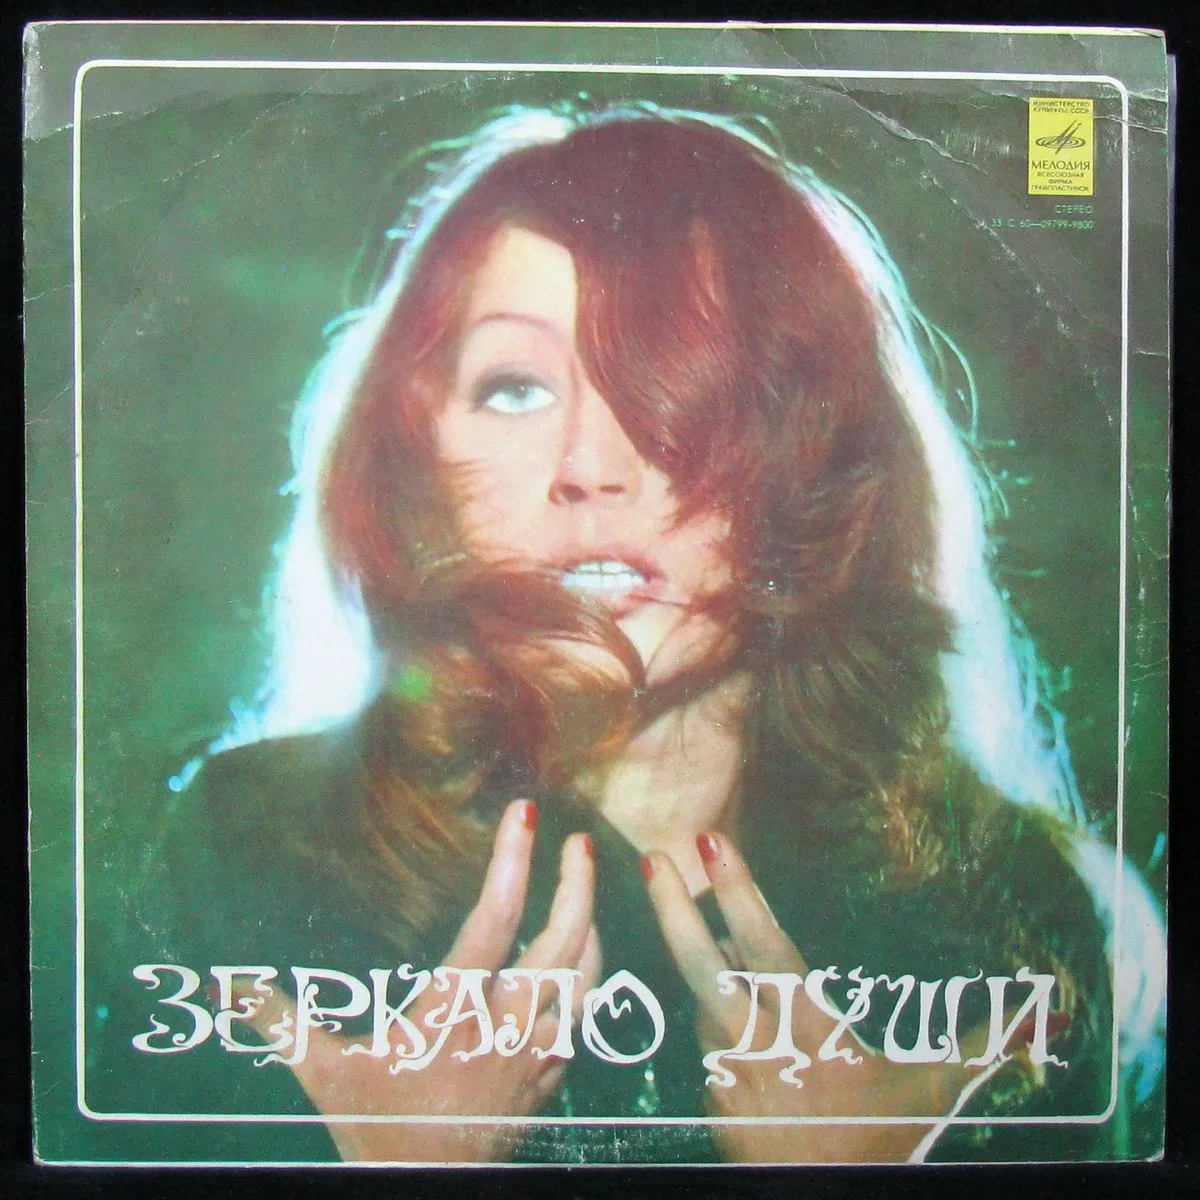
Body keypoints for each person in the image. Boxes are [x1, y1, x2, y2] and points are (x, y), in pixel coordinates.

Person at [122, 102, 1164, 1165]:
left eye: (672, 386)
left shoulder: (1002, 912)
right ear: (417, 452)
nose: (588, 466)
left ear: (815, 450)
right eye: (515, 389)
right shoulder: (247, 856)